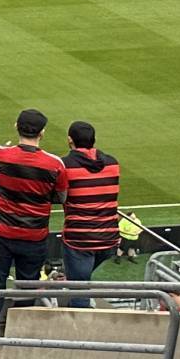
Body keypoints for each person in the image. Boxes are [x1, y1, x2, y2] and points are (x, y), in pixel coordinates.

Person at [0, 108, 64, 338]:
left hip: (1, 231)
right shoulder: (55, 164)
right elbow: (61, 196)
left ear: (16, 126)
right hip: (33, 235)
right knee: (28, 282)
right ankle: (19, 330)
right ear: (42, 132)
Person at [58, 120, 121, 305]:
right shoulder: (113, 163)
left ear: (70, 140)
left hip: (80, 239)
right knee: (81, 283)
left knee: (79, 290)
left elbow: (58, 194)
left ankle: (79, 330)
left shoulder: (65, 165)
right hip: (109, 237)